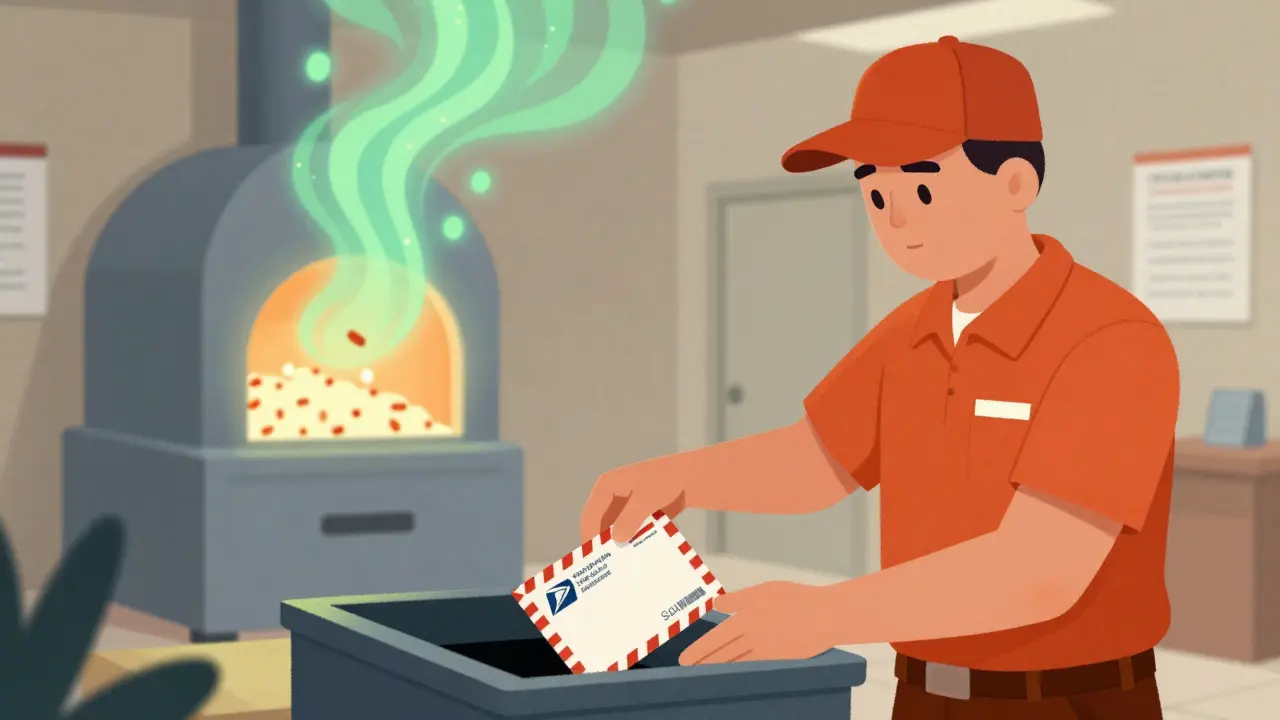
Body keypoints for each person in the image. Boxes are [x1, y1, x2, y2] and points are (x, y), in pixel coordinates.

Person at [579, 35, 1178, 719]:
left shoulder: (1110, 339)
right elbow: (818, 461)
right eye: (875, 192)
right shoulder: (913, 329)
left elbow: (1041, 569)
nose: (895, 219)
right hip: (922, 690)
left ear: (1016, 182)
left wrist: (824, 615)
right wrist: (678, 478)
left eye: (922, 188)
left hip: (1069, 698)